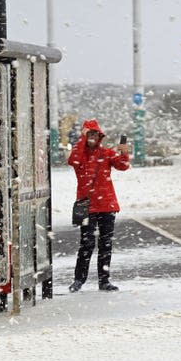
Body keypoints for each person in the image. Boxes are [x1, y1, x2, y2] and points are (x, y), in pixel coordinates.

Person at [67, 119, 130, 292]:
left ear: (100, 136)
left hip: (106, 205)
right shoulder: (79, 153)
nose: (93, 138)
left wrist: (124, 153)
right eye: (90, 135)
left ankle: (104, 280)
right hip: (87, 205)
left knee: (105, 244)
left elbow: (123, 166)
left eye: (95, 134)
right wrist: (82, 139)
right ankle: (79, 279)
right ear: (84, 136)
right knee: (86, 244)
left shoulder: (106, 153)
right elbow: (73, 161)